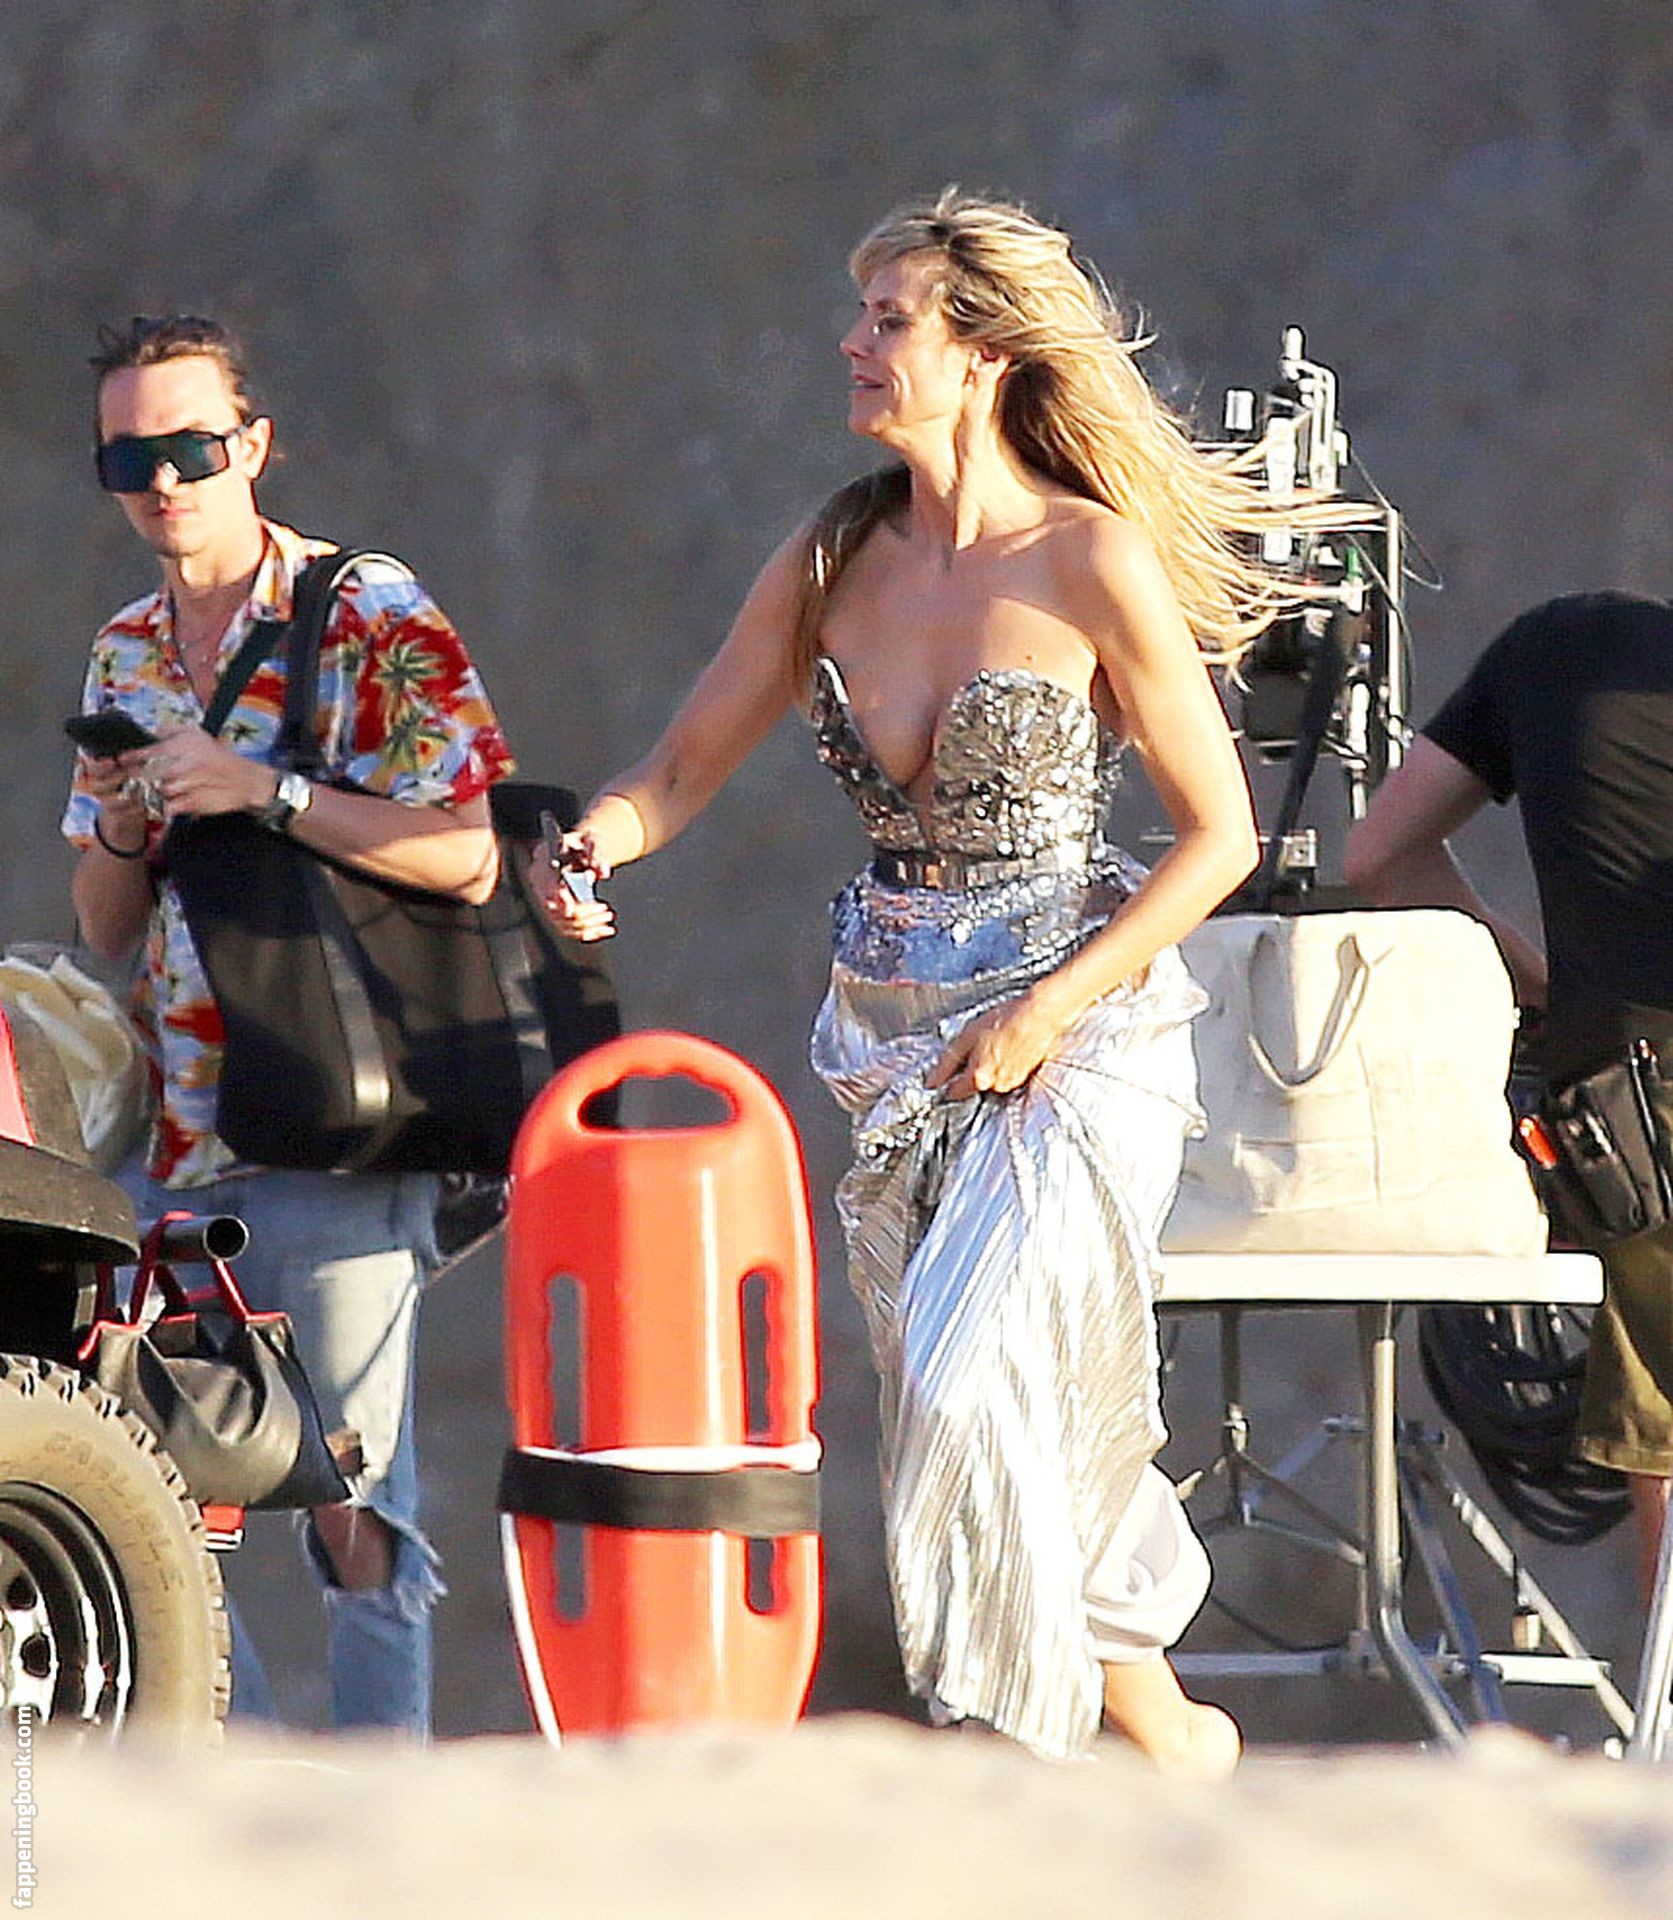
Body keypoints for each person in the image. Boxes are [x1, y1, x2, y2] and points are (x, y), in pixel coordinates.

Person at [544, 192, 1310, 1770]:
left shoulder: (1088, 557)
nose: (853, 343)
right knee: (1012, 1406)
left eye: (888, 320)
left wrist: (1046, 1009)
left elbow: (1219, 837)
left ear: (981, 358)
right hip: (890, 1041)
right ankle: (1170, 1742)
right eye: (862, 316)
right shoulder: (833, 556)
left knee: (972, 1382)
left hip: (1078, 1031)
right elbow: (681, 766)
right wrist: (599, 841)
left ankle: (1004, 1748)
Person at [62, 314, 515, 1736]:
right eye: (128, 458)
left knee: (352, 1504)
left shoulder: (365, 611)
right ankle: (244, 1778)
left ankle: (383, 1807)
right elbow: (105, 927)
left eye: (192, 448)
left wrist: (266, 792)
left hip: (340, 1121)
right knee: (146, 1483)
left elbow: (471, 854)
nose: (163, 481)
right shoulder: (125, 652)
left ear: (251, 444)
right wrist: (127, 821)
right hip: (175, 1133)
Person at [1345, 591, 1673, 1604]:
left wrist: (1540, 990)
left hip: (1623, 1102)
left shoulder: (1560, 643)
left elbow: (1377, 858)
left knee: (1663, 1435)